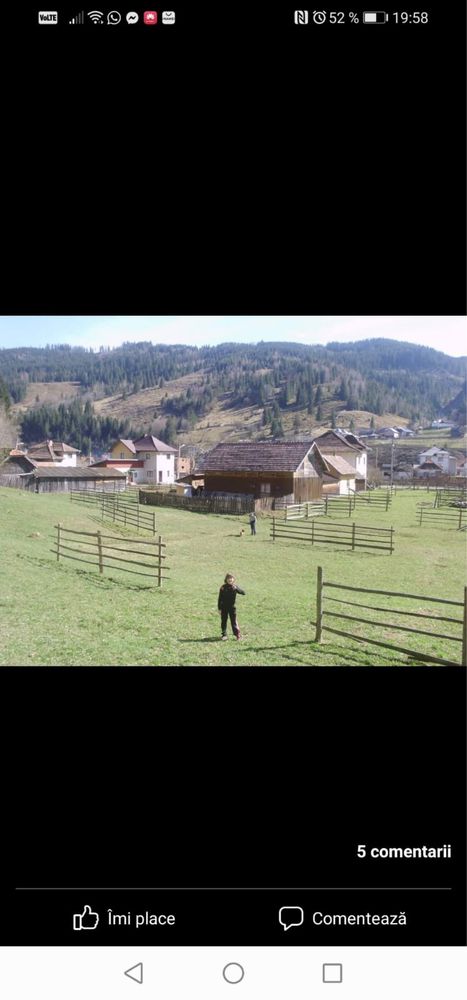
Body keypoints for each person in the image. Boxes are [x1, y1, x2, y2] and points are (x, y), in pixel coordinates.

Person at [218, 573, 245, 640]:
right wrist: (219, 608)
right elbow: (220, 598)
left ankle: (237, 634)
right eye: (228, 578)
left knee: (233, 621)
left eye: (231, 578)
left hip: (232, 608)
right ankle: (224, 635)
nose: (230, 579)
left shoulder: (234, 587)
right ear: (226, 580)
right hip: (224, 607)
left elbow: (243, 593)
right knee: (224, 621)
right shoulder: (223, 587)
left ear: (233, 579)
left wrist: (237, 589)